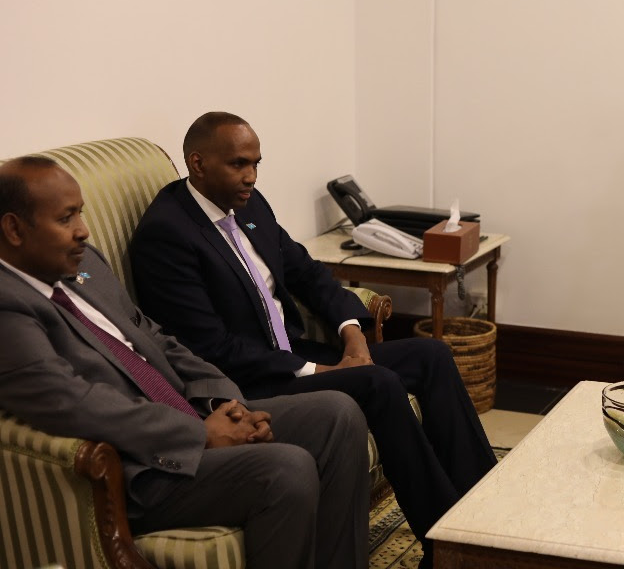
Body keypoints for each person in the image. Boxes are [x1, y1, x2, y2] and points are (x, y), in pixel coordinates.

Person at [129, 111, 497, 568]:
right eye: (238, 164)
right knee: (378, 382)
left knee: (431, 354)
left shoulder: (249, 204)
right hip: (249, 379)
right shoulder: (167, 234)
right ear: (198, 164)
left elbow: (308, 273)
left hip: (295, 352)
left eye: (256, 163)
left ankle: (488, 521)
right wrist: (323, 370)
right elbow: (210, 348)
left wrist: (353, 337)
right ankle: (447, 549)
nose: (251, 176)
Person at [0, 156, 369, 569]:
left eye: (81, 214)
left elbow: (155, 338)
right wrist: (198, 433)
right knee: (287, 469)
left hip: (189, 412)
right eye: (66, 218)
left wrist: (227, 404)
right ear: (14, 229)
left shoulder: (84, 264)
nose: (83, 230)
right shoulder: (8, 305)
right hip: (141, 468)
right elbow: (73, 402)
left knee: (337, 413)